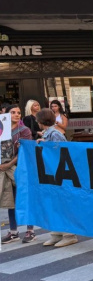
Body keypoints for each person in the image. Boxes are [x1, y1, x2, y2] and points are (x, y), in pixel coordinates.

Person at [35, 108, 78, 247]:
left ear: (41, 121)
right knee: (54, 203)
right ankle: (57, 233)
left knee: (61, 203)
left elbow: (62, 151)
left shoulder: (54, 133)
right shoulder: (49, 133)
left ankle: (69, 234)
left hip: (60, 174)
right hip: (53, 173)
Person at [0, 105, 35, 244]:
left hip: (20, 168)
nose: (16, 115)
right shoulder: (3, 130)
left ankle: (30, 230)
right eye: (13, 112)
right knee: (11, 199)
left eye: (19, 113)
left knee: (25, 198)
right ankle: (13, 231)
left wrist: (8, 164)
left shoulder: (24, 130)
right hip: (5, 168)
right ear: (7, 115)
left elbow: (24, 152)